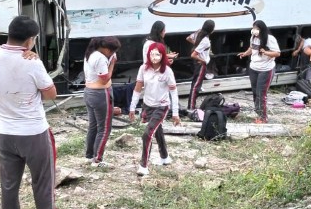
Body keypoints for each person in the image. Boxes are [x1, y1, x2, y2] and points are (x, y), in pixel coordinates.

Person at [0, 15, 71, 209]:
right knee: (43, 184)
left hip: (4, 132)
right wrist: (35, 59)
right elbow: (51, 94)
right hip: (33, 132)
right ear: (31, 40)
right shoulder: (32, 62)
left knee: (9, 185)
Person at [128, 43, 181, 176]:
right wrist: (132, 108)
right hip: (147, 105)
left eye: (158, 54)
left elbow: (174, 92)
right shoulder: (143, 69)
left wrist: (175, 113)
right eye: (152, 54)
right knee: (157, 130)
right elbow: (137, 89)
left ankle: (143, 165)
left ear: (163, 55)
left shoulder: (167, 71)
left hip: (162, 106)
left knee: (147, 133)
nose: (154, 57)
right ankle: (165, 157)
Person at [84, 36, 121, 167]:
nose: (111, 54)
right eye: (111, 51)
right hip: (100, 93)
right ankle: (98, 159)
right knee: (104, 128)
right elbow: (105, 79)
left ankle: (89, 156)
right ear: (105, 48)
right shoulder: (100, 58)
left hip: (89, 92)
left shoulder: (90, 54)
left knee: (93, 126)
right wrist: (112, 64)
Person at [238, 20, 280, 123]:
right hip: (254, 68)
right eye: (253, 28)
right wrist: (245, 53)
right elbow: (252, 48)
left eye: (257, 29)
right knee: (255, 92)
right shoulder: (253, 38)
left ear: (262, 30)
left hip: (266, 69)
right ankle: (258, 113)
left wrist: (266, 52)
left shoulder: (270, 39)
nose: (254, 31)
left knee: (261, 93)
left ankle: (263, 117)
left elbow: (277, 53)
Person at [186, 20, 215, 110]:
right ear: (211, 29)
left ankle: (191, 106)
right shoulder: (205, 40)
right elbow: (193, 54)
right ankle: (191, 107)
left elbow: (188, 38)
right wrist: (202, 60)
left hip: (197, 64)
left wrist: (197, 44)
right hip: (201, 64)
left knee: (195, 84)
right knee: (196, 86)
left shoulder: (199, 32)